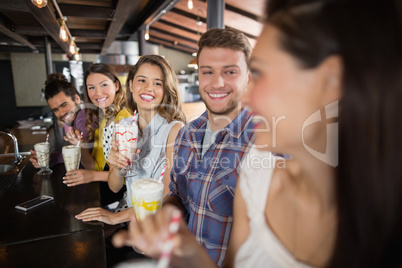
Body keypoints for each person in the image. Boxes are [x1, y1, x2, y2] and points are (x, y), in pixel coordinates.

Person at [115, 0, 402, 267]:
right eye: (206, 72)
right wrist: (180, 238)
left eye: (235, 72)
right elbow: (176, 192)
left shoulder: (270, 150)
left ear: (331, 81)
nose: (246, 99)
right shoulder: (233, 160)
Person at [113, 28, 256, 267]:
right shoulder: (189, 134)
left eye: (230, 72)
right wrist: (166, 215)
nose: (217, 82)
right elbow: (177, 193)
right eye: (207, 71)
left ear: (248, 76)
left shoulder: (263, 142)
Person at [74, 55, 185, 225]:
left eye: (157, 83)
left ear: (166, 90)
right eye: (142, 80)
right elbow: (115, 186)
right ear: (131, 85)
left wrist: (115, 217)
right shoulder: (123, 125)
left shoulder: (174, 129)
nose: (149, 88)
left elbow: (168, 198)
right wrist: (117, 167)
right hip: (129, 210)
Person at [64, 63, 131, 205]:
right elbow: (92, 166)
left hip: (124, 198)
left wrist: (92, 176)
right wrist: (80, 145)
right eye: (91, 88)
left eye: (104, 85)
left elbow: (130, 177)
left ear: (117, 86)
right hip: (105, 192)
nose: (98, 93)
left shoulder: (125, 120)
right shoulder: (104, 121)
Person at [29, 73, 97, 170]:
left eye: (64, 105)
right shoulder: (80, 114)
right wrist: (47, 158)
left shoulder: (83, 118)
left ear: (77, 99)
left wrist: (50, 158)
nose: (61, 113)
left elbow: (80, 156)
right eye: (55, 110)